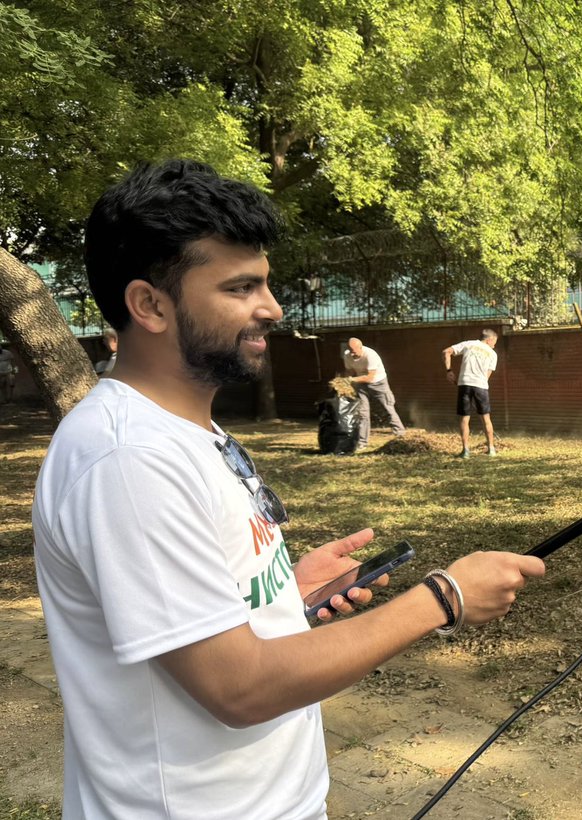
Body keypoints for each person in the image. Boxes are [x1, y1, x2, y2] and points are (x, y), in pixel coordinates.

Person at [32, 159, 545, 819]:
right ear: (149, 305)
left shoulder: (185, 430)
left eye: (265, 284)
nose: (270, 309)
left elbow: (196, 622)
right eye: (241, 287)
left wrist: (284, 595)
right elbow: (238, 688)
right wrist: (442, 599)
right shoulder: (129, 459)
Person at [442, 329, 499, 458]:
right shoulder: (492, 354)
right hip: (481, 386)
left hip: (465, 384)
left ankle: (466, 451)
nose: (494, 346)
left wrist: (449, 371)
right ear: (489, 339)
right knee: (486, 418)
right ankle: (491, 449)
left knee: (464, 418)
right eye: (494, 342)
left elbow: (446, 351)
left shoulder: (469, 344)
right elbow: (487, 376)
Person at [342, 336, 406, 449]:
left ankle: (401, 436)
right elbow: (349, 371)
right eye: (350, 352)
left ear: (361, 347)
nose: (352, 354)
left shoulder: (371, 355)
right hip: (361, 385)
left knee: (388, 409)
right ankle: (362, 443)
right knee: (362, 414)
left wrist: (352, 380)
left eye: (354, 352)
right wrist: (345, 380)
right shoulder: (347, 355)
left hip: (378, 383)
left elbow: (370, 377)